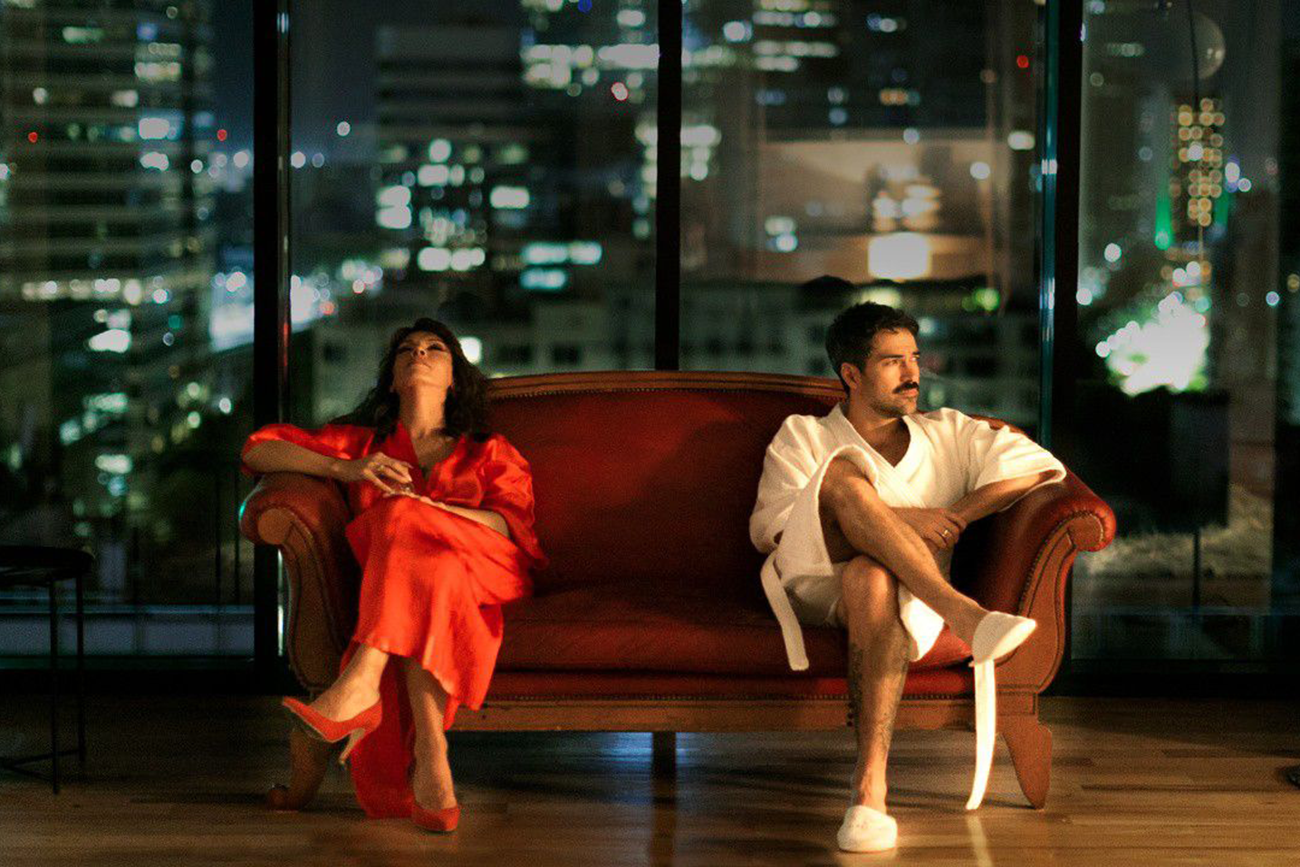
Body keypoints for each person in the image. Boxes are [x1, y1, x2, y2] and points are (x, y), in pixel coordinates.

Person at [750, 288, 1066, 853]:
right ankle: (965, 615)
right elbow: (770, 530)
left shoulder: (948, 431)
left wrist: (956, 515)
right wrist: (904, 518)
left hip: (905, 592)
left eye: (915, 358)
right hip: (814, 579)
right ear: (851, 374)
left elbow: (1037, 467)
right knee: (842, 475)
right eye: (893, 361)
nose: (912, 372)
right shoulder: (804, 434)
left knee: (871, 575)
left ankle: (870, 790)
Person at [241, 318, 545, 832]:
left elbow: (509, 525)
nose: (419, 354)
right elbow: (257, 448)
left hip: (489, 566)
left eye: (434, 349)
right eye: (407, 349)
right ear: (391, 379)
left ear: (454, 377)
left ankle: (362, 680)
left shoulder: (489, 450)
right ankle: (432, 754)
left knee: (399, 515)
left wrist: (428, 513)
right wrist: (344, 469)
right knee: (431, 570)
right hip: (424, 586)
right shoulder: (362, 446)